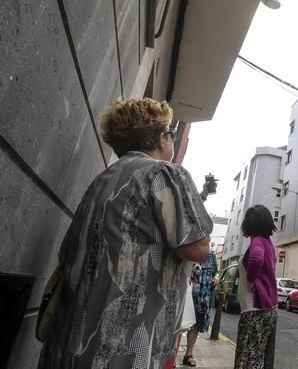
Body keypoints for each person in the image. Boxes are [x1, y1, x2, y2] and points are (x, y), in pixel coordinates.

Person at [38, 98, 213, 368]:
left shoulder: (100, 182)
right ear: (160, 138)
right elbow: (198, 247)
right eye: (171, 134)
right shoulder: (164, 174)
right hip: (122, 350)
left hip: (67, 347)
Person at [233, 205, 278, 369]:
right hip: (268, 307)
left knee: (247, 355)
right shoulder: (268, 243)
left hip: (255, 308)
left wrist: (251, 280)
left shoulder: (257, 241)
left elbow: (257, 259)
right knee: (257, 354)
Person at [182, 247, 219, 367]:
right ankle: (171, 355)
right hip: (186, 294)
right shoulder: (189, 251)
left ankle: (188, 354)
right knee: (179, 324)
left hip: (203, 296)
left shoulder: (211, 256)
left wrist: (216, 277)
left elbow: (216, 271)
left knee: (196, 325)